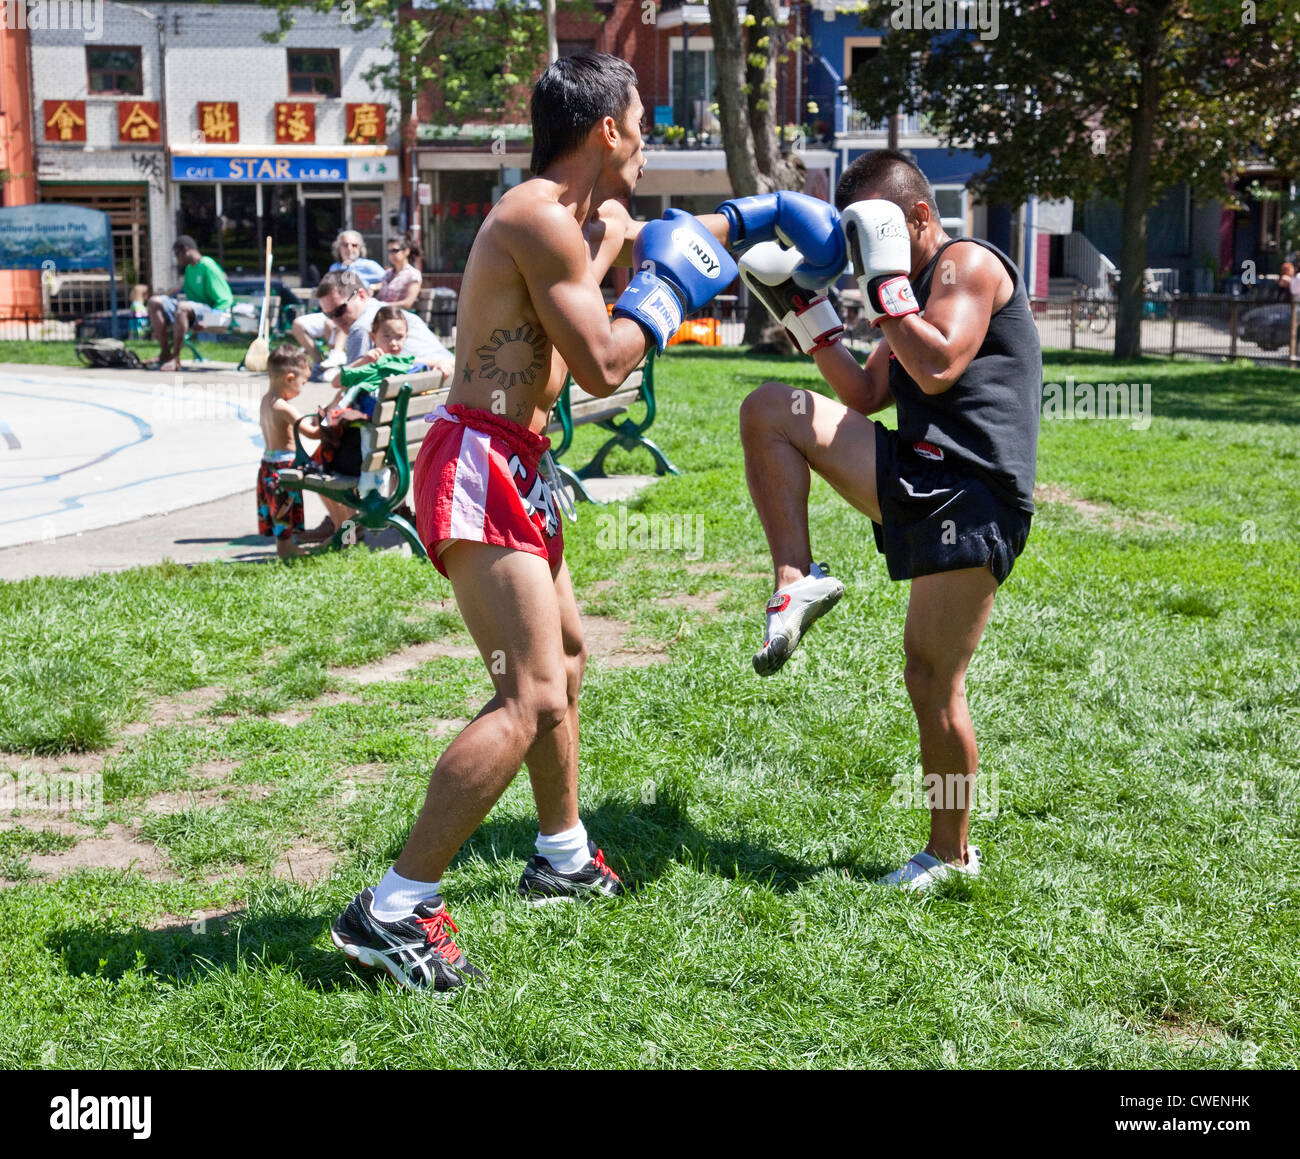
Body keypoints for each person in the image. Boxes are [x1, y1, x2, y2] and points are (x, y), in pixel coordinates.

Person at [328, 51, 740, 991]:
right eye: (641, 124)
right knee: (529, 695)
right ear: (606, 130)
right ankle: (391, 908)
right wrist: (670, 285)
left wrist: (604, 254)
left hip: (516, 458)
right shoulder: (534, 214)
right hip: (478, 461)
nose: (646, 143)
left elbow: (550, 372)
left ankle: (561, 853)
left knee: (567, 656)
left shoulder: (558, 227)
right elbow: (600, 365)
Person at [735, 149, 1041, 892]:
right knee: (771, 410)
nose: (873, 252)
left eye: (881, 233)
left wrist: (885, 287)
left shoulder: (965, 265)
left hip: (973, 490)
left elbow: (938, 365)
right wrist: (805, 316)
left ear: (920, 219)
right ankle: (797, 578)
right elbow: (870, 390)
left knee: (931, 677)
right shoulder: (908, 289)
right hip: (915, 466)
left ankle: (951, 853)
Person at [312, 269, 454, 383]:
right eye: (329, 315)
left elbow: (348, 384)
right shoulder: (392, 314)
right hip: (449, 377)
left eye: (340, 310)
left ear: (361, 295)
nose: (336, 319)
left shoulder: (360, 327)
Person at [257, 344, 321, 559]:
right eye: (303, 382)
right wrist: (324, 422)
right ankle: (286, 550)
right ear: (290, 377)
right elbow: (312, 433)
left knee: (278, 510)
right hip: (284, 466)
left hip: (267, 463)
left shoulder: (266, 401)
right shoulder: (283, 406)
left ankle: (284, 547)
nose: (303, 387)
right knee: (285, 508)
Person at [291, 230, 388, 372]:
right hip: (330, 311)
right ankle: (320, 363)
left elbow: (387, 280)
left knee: (339, 315)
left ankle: (337, 357)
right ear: (339, 248)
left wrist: (374, 287)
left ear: (360, 248)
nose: (350, 249)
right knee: (299, 324)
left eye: (354, 245)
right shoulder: (335, 268)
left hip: (351, 309)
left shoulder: (369, 265)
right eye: (345, 245)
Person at [147, 236, 234, 370]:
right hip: (193, 310)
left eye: (177, 254)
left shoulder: (207, 265)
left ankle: (175, 358)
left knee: (182, 307)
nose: (177, 259)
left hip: (208, 311)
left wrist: (210, 319)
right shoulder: (189, 269)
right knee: (154, 302)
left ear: (186, 250)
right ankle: (165, 353)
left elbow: (225, 299)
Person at [376, 233, 423, 311]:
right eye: (390, 251)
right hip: (381, 315)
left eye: (395, 250)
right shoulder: (387, 273)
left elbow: (408, 303)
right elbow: (379, 298)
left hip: (399, 317)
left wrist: (383, 306)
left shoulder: (413, 274)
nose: (391, 254)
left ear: (406, 251)